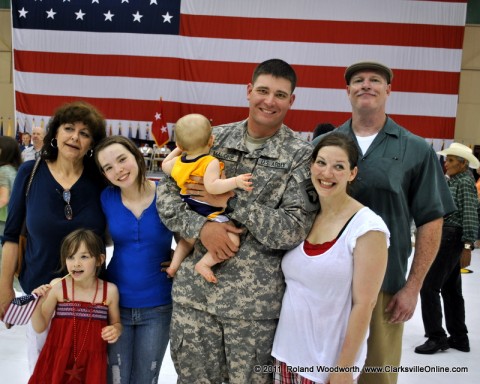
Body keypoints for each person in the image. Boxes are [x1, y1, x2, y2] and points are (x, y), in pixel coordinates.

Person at [157, 58, 318, 383]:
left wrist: (233, 201)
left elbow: (293, 230)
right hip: (195, 301)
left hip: (253, 313)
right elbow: (167, 197)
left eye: (280, 94)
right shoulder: (210, 139)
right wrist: (203, 228)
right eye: (262, 90)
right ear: (248, 91)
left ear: (292, 100)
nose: (269, 101)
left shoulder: (301, 155)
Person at [312, 61, 455, 384]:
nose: (366, 85)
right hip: (325, 287)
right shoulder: (323, 147)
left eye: (375, 80)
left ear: (388, 90)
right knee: (319, 373)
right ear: (347, 91)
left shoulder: (415, 150)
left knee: (375, 375)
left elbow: (432, 220)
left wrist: (413, 286)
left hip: (384, 289)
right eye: (358, 80)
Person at [272, 132, 389, 383]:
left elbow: (364, 304)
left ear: (352, 173)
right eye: (321, 163)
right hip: (284, 356)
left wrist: (344, 369)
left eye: (339, 167)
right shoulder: (305, 216)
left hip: (325, 367)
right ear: (311, 165)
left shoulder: (367, 227)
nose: (327, 173)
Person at [0, 100, 107, 372]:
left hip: (88, 300)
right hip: (39, 296)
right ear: (55, 133)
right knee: (43, 371)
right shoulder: (30, 172)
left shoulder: (100, 180)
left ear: (92, 143)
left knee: (83, 374)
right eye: (69, 128)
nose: (75, 137)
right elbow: (11, 236)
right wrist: (3, 291)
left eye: (84, 133)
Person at [94, 135, 174, 384]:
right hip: (115, 303)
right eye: (108, 167)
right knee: (115, 378)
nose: (117, 170)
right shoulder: (106, 198)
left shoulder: (167, 194)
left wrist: (178, 259)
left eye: (121, 159)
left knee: (146, 378)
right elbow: (100, 240)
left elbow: (189, 239)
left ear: (137, 156)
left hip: (158, 305)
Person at [161, 113, 253, 283]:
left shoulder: (178, 162)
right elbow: (212, 187)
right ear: (211, 141)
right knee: (233, 238)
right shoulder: (209, 161)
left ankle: (174, 265)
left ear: (180, 144)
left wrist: (179, 149)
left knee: (187, 240)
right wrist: (235, 181)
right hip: (206, 207)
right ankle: (204, 264)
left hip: (189, 205)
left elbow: (164, 164)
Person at [29, 228, 121, 383]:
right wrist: (37, 303)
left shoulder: (109, 291)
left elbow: (116, 323)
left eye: (84, 257)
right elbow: (39, 327)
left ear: (99, 259)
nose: (76, 263)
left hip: (92, 364)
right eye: (70, 257)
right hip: (57, 361)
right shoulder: (58, 287)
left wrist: (116, 329)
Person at [415, 143, 479, 355]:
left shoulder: (465, 183)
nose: (446, 164)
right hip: (449, 236)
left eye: (451, 161)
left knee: (429, 286)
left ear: (463, 164)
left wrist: (468, 245)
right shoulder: (456, 180)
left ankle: (437, 337)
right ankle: (459, 337)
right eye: (447, 160)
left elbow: (470, 214)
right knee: (451, 289)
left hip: (451, 237)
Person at [0, 136, 22, 237]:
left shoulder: (3, 170)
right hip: (12, 218)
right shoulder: (15, 169)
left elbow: (3, 199)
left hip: (2, 219)